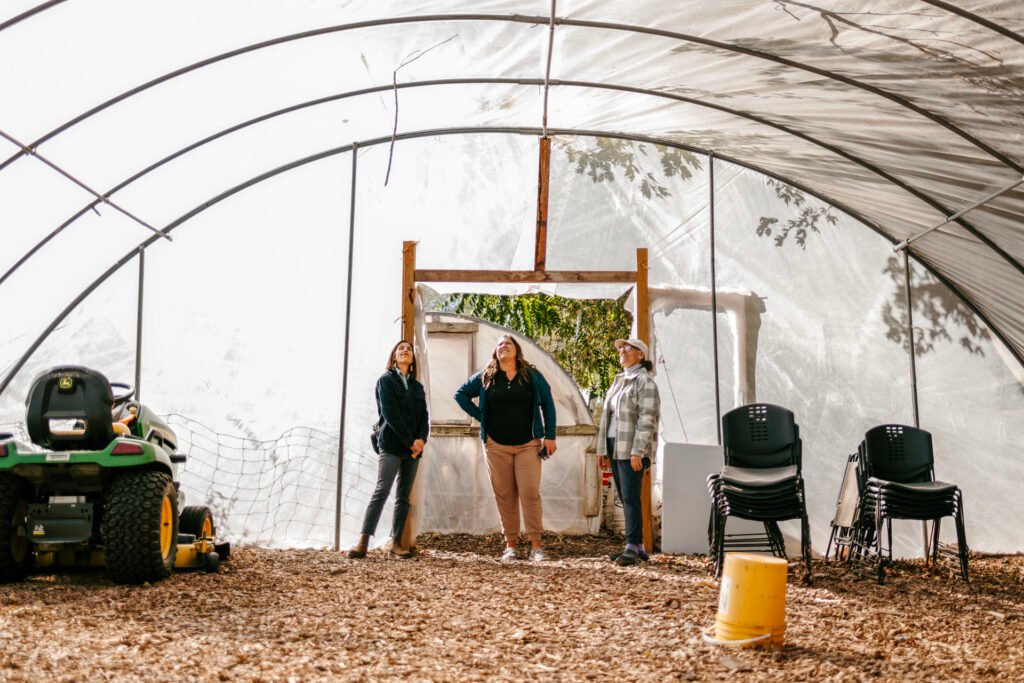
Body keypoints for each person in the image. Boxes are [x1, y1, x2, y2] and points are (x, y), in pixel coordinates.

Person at [454, 335, 557, 562]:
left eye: (508, 343)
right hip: (495, 445)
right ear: (495, 352)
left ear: (517, 350)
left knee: (530, 492)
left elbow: (548, 404)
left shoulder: (531, 375)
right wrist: (481, 416)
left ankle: (536, 547)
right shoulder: (486, 376)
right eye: (500, 343)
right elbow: (459, 394)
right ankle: (510, 545)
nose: (504, 345)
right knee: (505, 495)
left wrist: (550, 435)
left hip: (528, 444)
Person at [348, 340, 429, 559]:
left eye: (409, 349)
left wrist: (422, 440)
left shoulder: (417, 387)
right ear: (394, 356)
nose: (405, 350)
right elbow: (390, 414)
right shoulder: (386, 381)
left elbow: (424, 416)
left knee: (404, 496)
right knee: (382, 491)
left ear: (413, 360)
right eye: (401, 348)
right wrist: (410, 441)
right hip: (392, 445)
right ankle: (363, 541)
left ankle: (396, 544)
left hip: (414, 449)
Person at [596, 337, 660, 566]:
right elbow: (607, 419)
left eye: (627, 347)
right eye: (621, 348)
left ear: (640, 355)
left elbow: (647, 420)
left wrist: (638, 452)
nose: (621, 350)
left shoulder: (645, 382)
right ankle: (638, 546)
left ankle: (631, 545)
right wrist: (603, 450)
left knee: (631, 497)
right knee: (625, 496)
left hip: (630, 448)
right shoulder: (619, 381)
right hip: (615, 445)